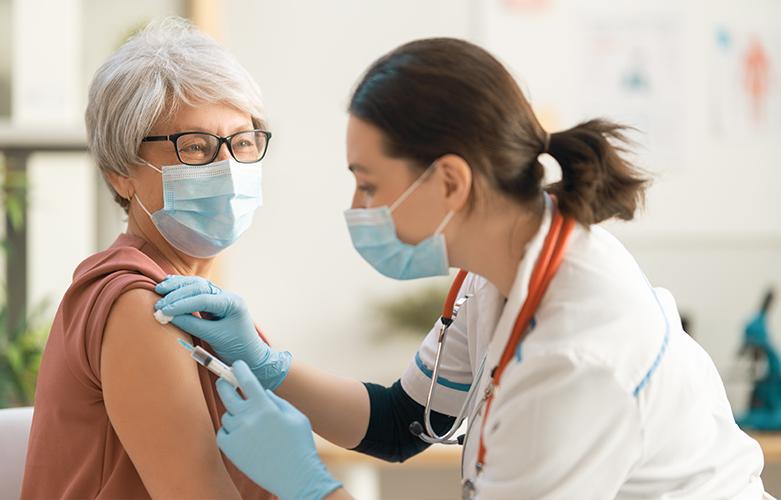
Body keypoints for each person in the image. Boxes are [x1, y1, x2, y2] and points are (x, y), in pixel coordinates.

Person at [154, 38, 769, 499]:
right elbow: (402, 423)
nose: (357, 210)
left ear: (448, 180)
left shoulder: (579, 355)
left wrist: (308, 484)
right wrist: (266, 365)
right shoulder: (495, 275)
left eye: (368, 185)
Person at [21, 18, 275, 499]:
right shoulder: (141, 305)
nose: (228, 169)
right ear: (121, 173)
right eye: (195, 147)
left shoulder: (204, 301)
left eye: (242, 142)